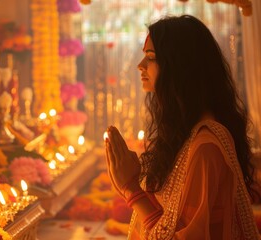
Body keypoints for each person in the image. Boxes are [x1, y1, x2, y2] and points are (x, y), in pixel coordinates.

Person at [105, 15, 260, 239]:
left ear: (179, 66)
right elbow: (169, 219)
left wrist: (131, 189)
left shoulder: (206, 149)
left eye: (151, 57)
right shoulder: (186, 135)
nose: (141, 66)